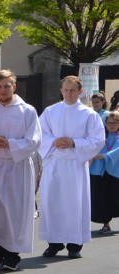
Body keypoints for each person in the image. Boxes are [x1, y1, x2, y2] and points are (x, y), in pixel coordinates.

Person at [0, 70, 42, 271]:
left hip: (16, 167)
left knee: (14, 213)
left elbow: (34, 141)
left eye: (7, 86)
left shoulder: (27, 111)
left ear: (14, 86)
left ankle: (12, 255)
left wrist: (9, 144)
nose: (3, 90)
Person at [38, 76, 105, 259]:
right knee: (53, 203)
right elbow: (39, 133)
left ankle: (74, 245)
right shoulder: (50, 111)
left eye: (73, 90)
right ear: (61, 90)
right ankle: (54, 242)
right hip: (54, 163)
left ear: (80, 91)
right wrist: (54, 141)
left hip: (75, 164)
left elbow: (98, 139)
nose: (68, 93)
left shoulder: (88, 114)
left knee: (75, 204)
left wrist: (74, 142)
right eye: (65, 90)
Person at [90, 111, 119, 234]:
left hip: (115, 172)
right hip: (100, 171)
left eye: (114, 123)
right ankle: (106, 223)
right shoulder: (101, 136)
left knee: (115, 198)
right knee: (102, 198)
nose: (111, 125)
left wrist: (105, 156)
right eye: (108, 123)